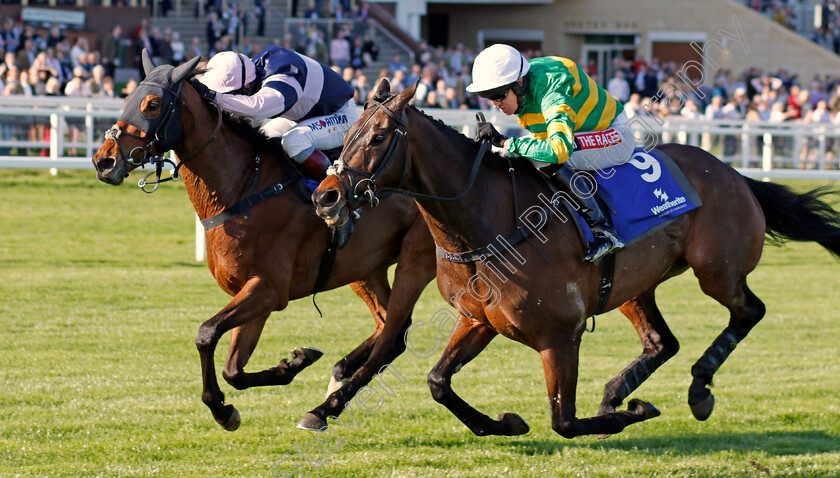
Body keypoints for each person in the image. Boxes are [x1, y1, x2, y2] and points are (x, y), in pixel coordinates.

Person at [467, 44, 633, 262]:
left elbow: (559, 149)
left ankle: (603, 231)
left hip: (613, 132)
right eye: (487, 96)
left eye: (498, 95)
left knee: (541, 157)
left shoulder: (552, 89)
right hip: (578, 131)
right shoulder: (523, 84)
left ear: (519, 83)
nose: (495, 104)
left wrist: (505, 141)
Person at [193, 46, 359, 181]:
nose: (230, 97)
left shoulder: (284, 80)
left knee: (294, 140)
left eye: (231, 93)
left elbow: (255, 109)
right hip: (306, 117)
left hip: (341, 116)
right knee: (265, 136)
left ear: (247, 86)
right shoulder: (251, 71)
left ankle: (336, 189)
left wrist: (215, 96)